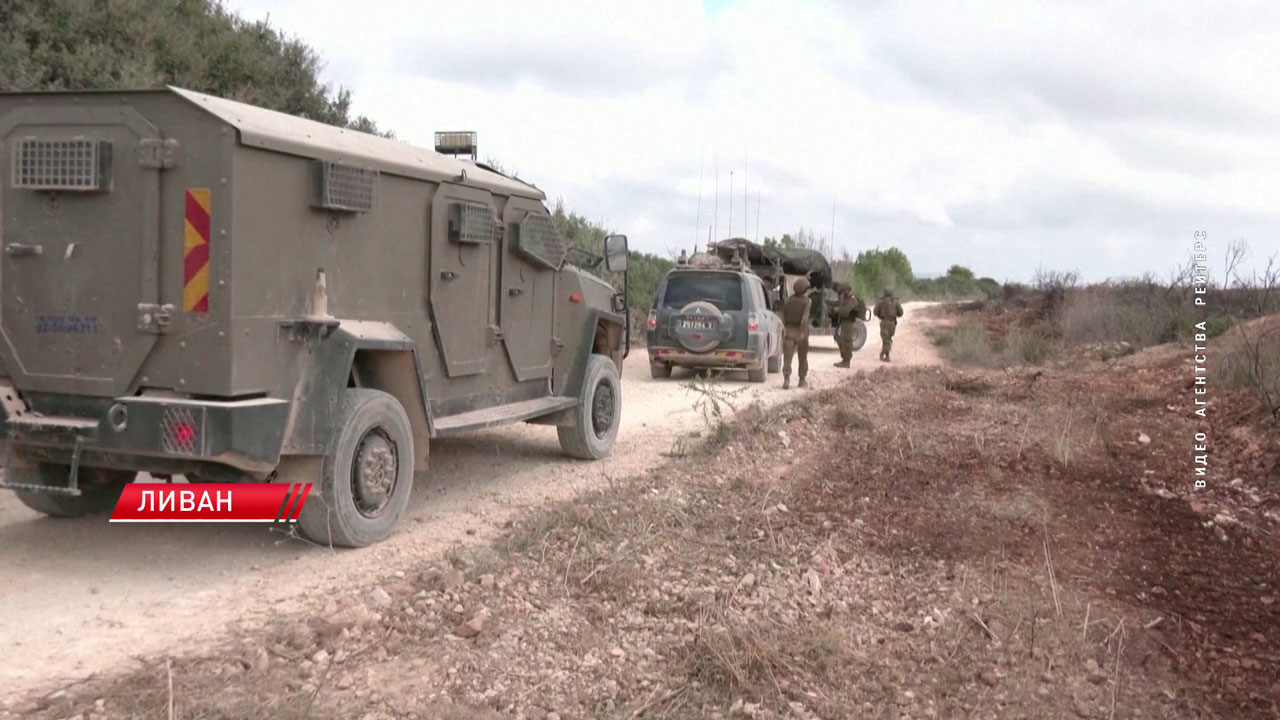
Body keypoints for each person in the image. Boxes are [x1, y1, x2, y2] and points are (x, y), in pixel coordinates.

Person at [780, 277, 811, 389]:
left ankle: (786, 379)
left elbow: (782, 316)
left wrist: (783, 330)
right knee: (802, 357)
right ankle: (802, 380)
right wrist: (803, 332)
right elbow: (805, 318)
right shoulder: (806, 301)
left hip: (789, 330)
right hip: (800, 332)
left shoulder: (788, 300)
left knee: (787, 358)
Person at [832, 284, 865, 368]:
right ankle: (844, 359)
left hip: (848, 322)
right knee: (840, 339)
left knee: (846, 341)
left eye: (843, 292)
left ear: (847, 290)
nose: (842, 293)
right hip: (844, 322)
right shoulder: (846, 299)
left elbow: (845, 311)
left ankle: (846, 361)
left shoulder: (853, 300)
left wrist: (838, 310)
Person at [873, 287, 904, 361]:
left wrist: (880, 315)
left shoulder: (881, 301)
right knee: (887, 338)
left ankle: (884, 353)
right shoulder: (896, 301)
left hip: (884, 321)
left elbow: (875, 312)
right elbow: (901, 313)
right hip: (893, 323)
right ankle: (887, 355)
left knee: (885, 339)